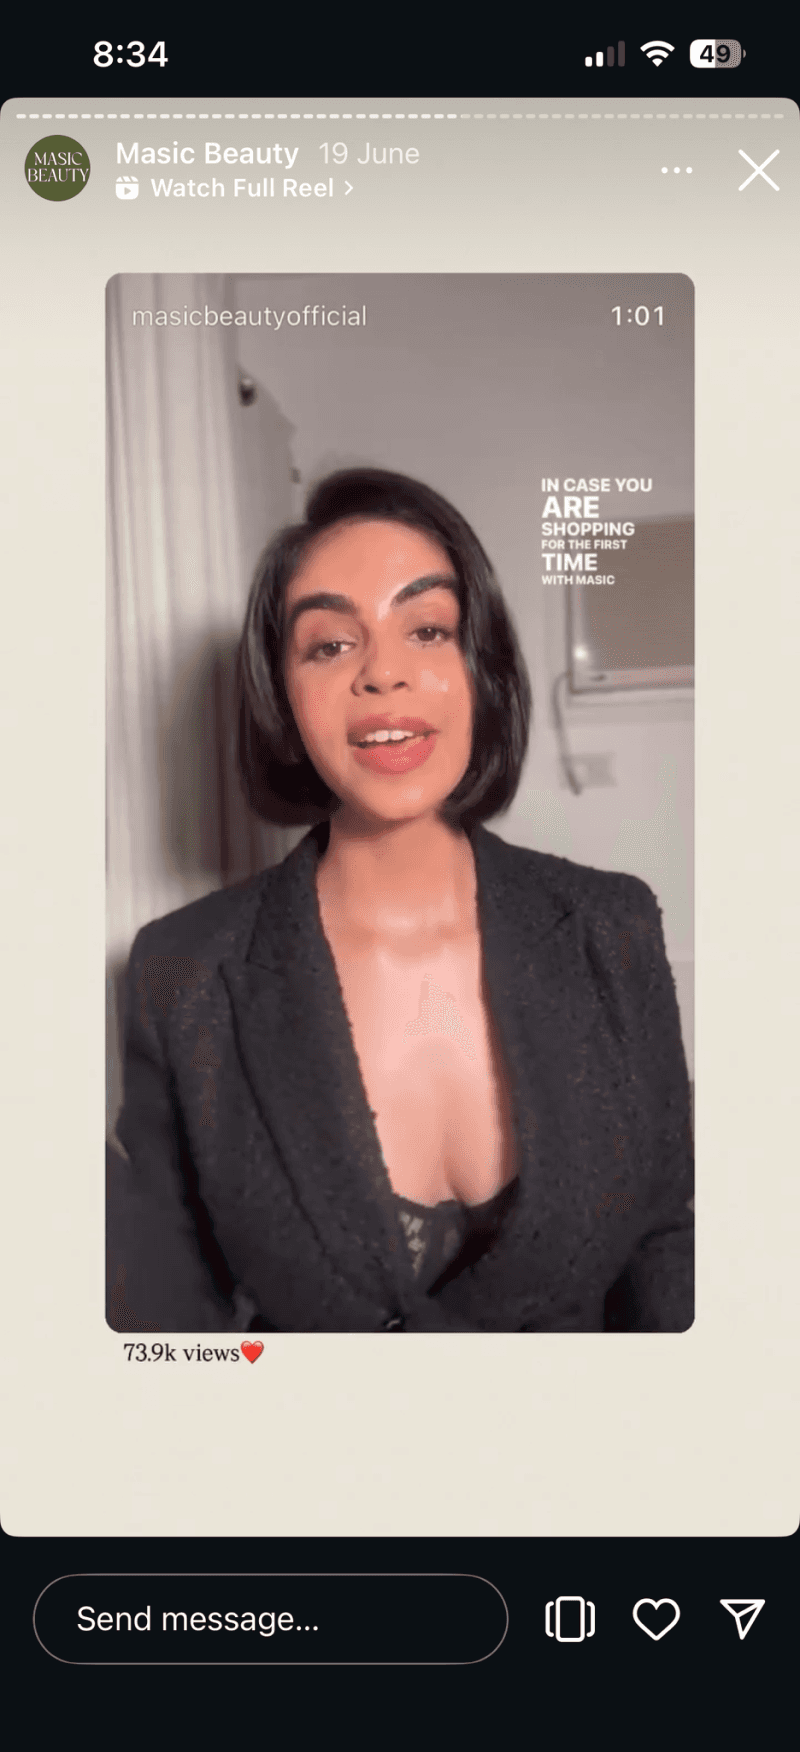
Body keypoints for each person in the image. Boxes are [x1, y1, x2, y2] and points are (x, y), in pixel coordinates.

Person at [107, 467, 694, 1333]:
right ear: (284, 698)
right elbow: (166, 1321)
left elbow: (667, 1241)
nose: (384, 672)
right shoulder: (179, 973)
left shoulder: (613, 928)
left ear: (481, 668)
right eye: (329, 645)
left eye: (426, 629)